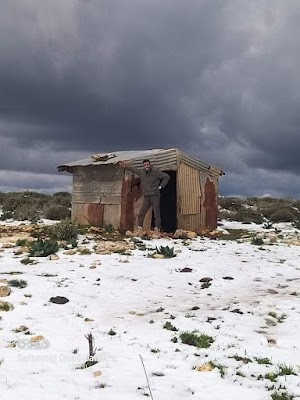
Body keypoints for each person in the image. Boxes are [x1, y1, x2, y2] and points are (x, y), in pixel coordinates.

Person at [119, 159, 170, 233]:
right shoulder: (142, 172)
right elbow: (134, 170)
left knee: (156, 213)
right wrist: (125, 166)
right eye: (145, 165)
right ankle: (140, 229)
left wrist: (161, 186)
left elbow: (167, 177)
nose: (146, 166)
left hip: (155, 195)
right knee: (141, 213)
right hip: (147, 196)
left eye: (147, 165)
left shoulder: (155, 172)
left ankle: (157, 229)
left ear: (150, 164)